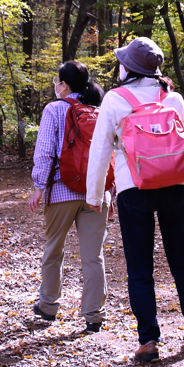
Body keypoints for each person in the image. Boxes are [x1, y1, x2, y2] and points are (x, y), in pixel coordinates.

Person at [85, 37, 184, 363]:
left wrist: (95, 195)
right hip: (176, 185)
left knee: (140, 268)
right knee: (182, 258)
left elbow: (100, 151)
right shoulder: (174, 98)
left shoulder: (114, 99)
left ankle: (149, 341)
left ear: (129, 67)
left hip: (132, 187)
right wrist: (182, 178)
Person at [28, 61, 109, 333]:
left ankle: (49, 307)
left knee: (54, 249)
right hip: (96, 193)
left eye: (57, 81)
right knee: (93, 256)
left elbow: (45, 151)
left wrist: (39, 186)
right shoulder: (99, 109)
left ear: (64, 85)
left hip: (62, 190)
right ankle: (94, 315)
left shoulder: (54, 109)